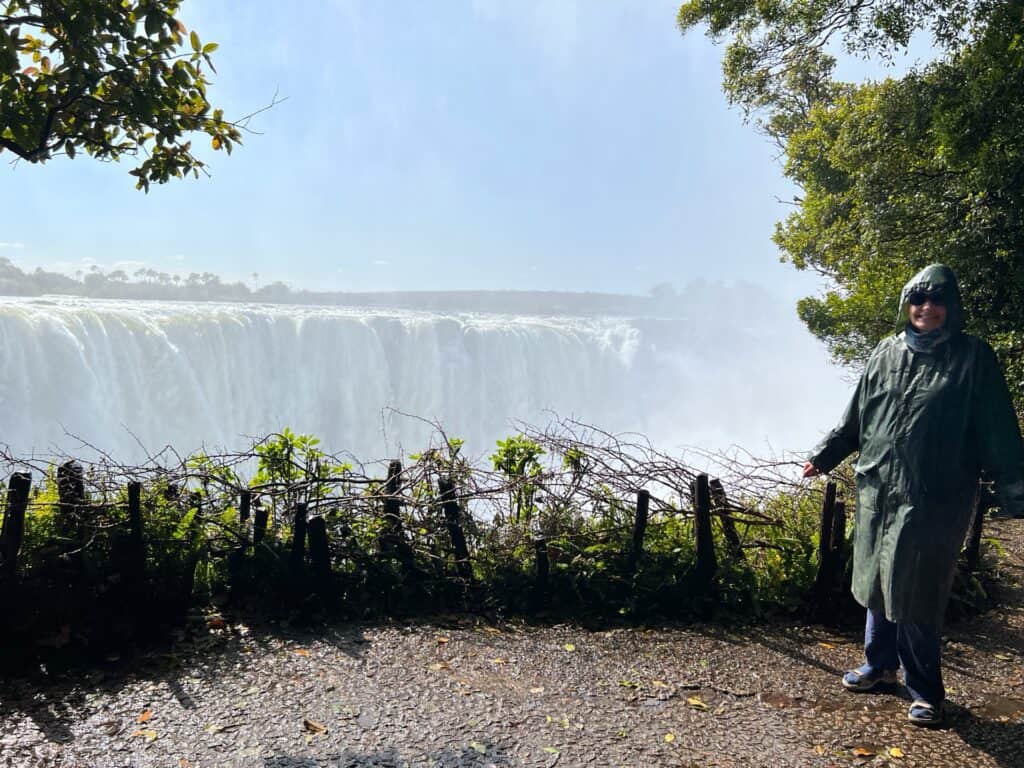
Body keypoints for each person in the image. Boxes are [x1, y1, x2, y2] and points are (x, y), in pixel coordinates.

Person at [802, 263, 1024, 727]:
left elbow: (999, 429)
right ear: (907, 305)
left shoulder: (973, 358)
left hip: (934, 495)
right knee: (878, 582)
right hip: (879, 490)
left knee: (918, 589)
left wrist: (1014, 488)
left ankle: (925, 692)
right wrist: (825, 455)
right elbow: (856, 418)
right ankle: (880, 667)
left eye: (937, 300)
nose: (927, 308)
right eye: (919, 300)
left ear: (952, 307)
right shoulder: (884, 353)